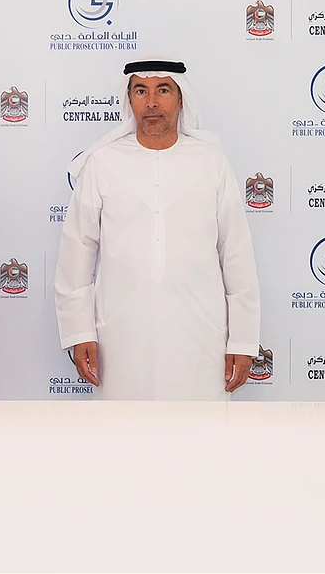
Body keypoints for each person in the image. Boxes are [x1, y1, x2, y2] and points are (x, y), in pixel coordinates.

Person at [54, 59, 262, 400]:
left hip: (201, 337)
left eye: (162, 90)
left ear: (181, 100)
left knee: (199, 430)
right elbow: (76, 253)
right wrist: (79, 332)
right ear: (129, 100)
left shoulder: (212, 162)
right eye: (141, 91)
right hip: (120, 339)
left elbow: (236, 254)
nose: (151, 102)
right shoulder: (102, 163)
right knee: (124, 430)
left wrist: (242, 339)